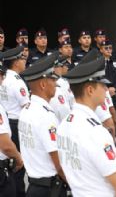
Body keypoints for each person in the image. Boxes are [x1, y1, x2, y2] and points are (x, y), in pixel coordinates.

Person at [57, 57, 116, 197]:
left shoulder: (64, 124)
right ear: (90, 90)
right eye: (102, 85)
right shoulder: (96, 132)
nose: (106, 89)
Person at [19, 53, 68, 196]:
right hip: (50, 188)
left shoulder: (26, 109)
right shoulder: (45, 115)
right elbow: (57, 160)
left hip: (35, 185)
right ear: (43, 84)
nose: (55, 85)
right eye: (52, 80)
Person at [0, 46, 29, 197]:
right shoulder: (17, 81)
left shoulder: (5, 78)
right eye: (23, 59)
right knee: (18, 165)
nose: (25, 61)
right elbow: (26, 105)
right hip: (15, 125)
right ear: (16, 62)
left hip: (6, 122)